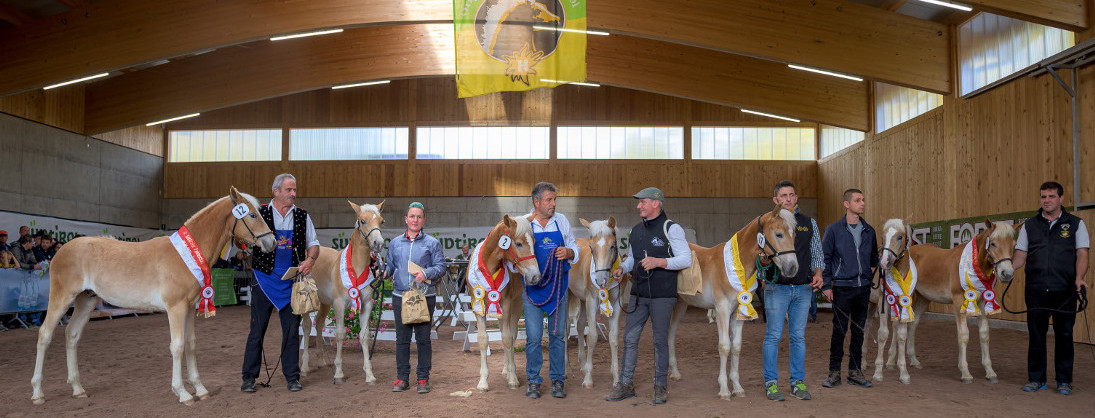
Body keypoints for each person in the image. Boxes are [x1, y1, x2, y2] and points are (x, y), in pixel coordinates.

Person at [605, 187, 691, 405]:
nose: (638, 206)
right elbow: (634, 259)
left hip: (663, 295)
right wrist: (622, 269)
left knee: (660, 341)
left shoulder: (672, 228)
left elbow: (685, 259)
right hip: (638, 294)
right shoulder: (636, 230)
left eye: (642, 202)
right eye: (639, 202)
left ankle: (660, 386)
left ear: (656, 203)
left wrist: (659, 262)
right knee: (630, 338)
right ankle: (625, 384)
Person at [241, 173, 319, 393]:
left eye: (294, 190)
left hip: (290, 283)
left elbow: (313, 243)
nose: (293, 194)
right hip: (263, 280)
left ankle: (292, 377)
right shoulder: (260, 213)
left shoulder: (303, 216)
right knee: (257, 330)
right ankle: (248, 377)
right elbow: (243, 238)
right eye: (289, 190)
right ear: (276, 192)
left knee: (292, 332)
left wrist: (310, 259)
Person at [1012, 181, 1089, 395]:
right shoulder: (1030, 225)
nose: (1047, 201)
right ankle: (1036, 379)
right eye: (1043, 197)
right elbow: (1021, 255)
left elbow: (1082, 253)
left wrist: (1079, 278)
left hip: (1065, 290)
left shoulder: (1076, 224)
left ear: (1061, 199)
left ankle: (1064, 381)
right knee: (1036, 335)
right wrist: (1008, 268)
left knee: (1064, 335)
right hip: (1035, 290)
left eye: (1051, 196)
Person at [761, 181, 824, 401]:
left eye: (791, 195)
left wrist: (818, 274)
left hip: (803, 287)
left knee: (798, 337)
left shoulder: (809, 223)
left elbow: (817, 253)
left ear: (796, 198)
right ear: (775, 200)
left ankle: (797, 382)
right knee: (773, 336)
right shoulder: (768, 223)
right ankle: (771, 383)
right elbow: (760, 254)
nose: (788, 199)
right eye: (783, 196)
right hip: (776, 288)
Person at [523, 182, 580, 399]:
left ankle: (557, 379)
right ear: (536, 202)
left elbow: (575, 247)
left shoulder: (561, 221)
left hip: (558, 288)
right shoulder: (525, 224)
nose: (553, 204)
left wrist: (569, 252)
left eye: (555, 199)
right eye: (549, 200)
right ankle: (534, 380)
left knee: (558, 335)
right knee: (534, 338)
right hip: (532, 290)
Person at [384, 202, 445, 394]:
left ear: (424, 220)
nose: (415, 220)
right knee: (402, 340)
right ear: (406, 219)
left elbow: (441, 267)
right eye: (412, 216)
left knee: (423, 339)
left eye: (419, 217)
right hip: (400, 297)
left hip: (424, 297)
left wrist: (425, 273)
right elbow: (390, 267)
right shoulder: (394, 243)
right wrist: (382, 272)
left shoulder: (432, 243)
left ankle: (422, 379)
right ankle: (402, 378)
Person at [820, 188, 877, 389]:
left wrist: (867, 277)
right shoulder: (833, 230)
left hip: (863, 290)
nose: (862, 203)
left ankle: (855, 372)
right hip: (842, 288)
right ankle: (834, 373)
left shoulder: (869, 230)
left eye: (863, 200)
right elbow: (824, 258)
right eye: (857, 200)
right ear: (846, 204)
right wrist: (827, 285)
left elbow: (873, 259)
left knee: (859, 331)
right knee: (839, 331)